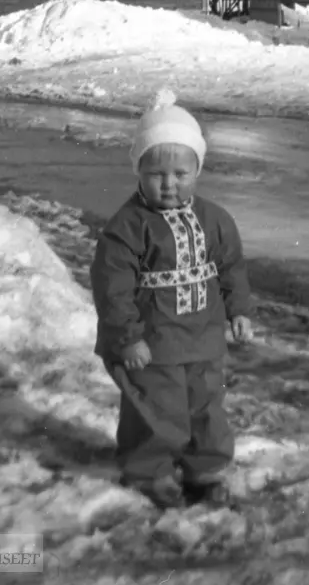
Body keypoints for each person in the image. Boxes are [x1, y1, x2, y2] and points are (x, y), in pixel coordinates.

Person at [91, 89, 253, 508]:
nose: (169, 184)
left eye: (181, 174)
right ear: (138, 171)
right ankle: (149, 472)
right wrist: (127, 337)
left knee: (206, 408)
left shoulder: (215, 220)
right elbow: (113, 288)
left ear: (197, 170)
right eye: (156, 174)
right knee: (156, 412)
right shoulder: (128, 227)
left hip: (203, 339)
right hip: (153, 343)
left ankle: (206, 469)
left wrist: (238, 311)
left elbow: (230, 267)